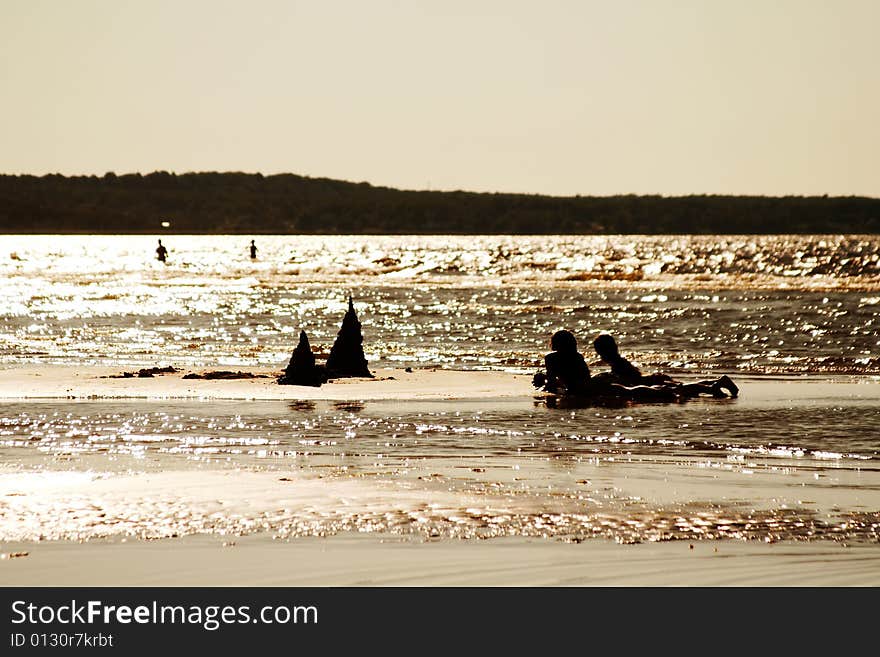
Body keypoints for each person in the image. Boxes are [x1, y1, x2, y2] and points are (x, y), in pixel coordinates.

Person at [533, 330, 679, 402]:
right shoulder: (577, 356)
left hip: (586, 390)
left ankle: (665, 392)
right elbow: (584, 376)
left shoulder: (550, 358)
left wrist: (542, 384)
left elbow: (553, 385)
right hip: (592, 384)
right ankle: (666, 391)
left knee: (630, 391)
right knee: (630, 391)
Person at [592, 332, 738, 398]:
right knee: (685, 387)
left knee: (683, 389)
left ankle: (712, 388)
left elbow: (630, 381)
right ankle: (717, 383)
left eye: (600, 352)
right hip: (652, 379)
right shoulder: (618, 361)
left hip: (651, 381)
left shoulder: (618, 364)